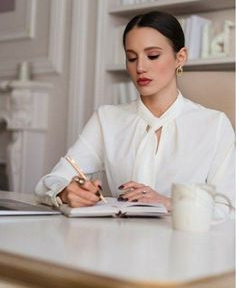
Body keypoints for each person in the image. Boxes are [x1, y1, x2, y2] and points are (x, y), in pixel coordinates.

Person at [34, 11, 235, 212]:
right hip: (119, 238)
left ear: (180, 58)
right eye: (131, 58)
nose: (140, 67)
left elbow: (228, 207)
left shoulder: (214, 125)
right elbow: (50, 181)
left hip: (185, 240)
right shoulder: (107, 119)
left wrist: (169, 203)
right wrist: (65, 192)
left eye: (153, 56)